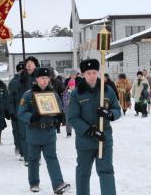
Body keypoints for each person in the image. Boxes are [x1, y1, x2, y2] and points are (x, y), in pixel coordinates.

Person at [68, 59, 121, 195]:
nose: (92, 76)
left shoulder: (107, 90)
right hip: (85, 141)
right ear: (83, 74)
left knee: (106, 171)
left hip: (104, 139)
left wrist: (109, 114)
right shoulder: (76, 94)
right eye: (88, 73)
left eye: (94, 72)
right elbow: (72, 118)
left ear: (98, 73)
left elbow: (117, 110)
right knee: (83, 173)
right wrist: (90, 131)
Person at [18, 67, 70, 194]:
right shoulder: (28, 94)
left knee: (52, 158)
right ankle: (34, 183)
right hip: (34, 131)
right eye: (42, 78)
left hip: (49, 132)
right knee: (34, 159)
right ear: (37, 79)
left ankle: (58, 184)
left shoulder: (53, 94)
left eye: (47, 78)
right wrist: (31, 117)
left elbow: (59, 109)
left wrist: (60, 116)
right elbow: (21, 113)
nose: (45, 80)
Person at [8, 56, 39, 166]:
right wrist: (20, 81)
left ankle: (36, 156)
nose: (29, 65)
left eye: (32, 63)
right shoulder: (19, 76)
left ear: (36, 65)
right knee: (24, 134)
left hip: (37, 109)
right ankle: (28, 157)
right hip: (23, 110)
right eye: (28, 63)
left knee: (36, 134)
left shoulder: (40, 76)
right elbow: (11, 88)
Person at [7, 62, 25, 156]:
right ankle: (18, 146)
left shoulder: (28, 80)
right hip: (16, 110)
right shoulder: (14, 81)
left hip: (26, 110)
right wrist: (11, 111)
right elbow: (10, 98)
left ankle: (25, 149)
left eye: (23, 70)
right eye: (20, 70)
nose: (22, 72)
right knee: (17, 131)